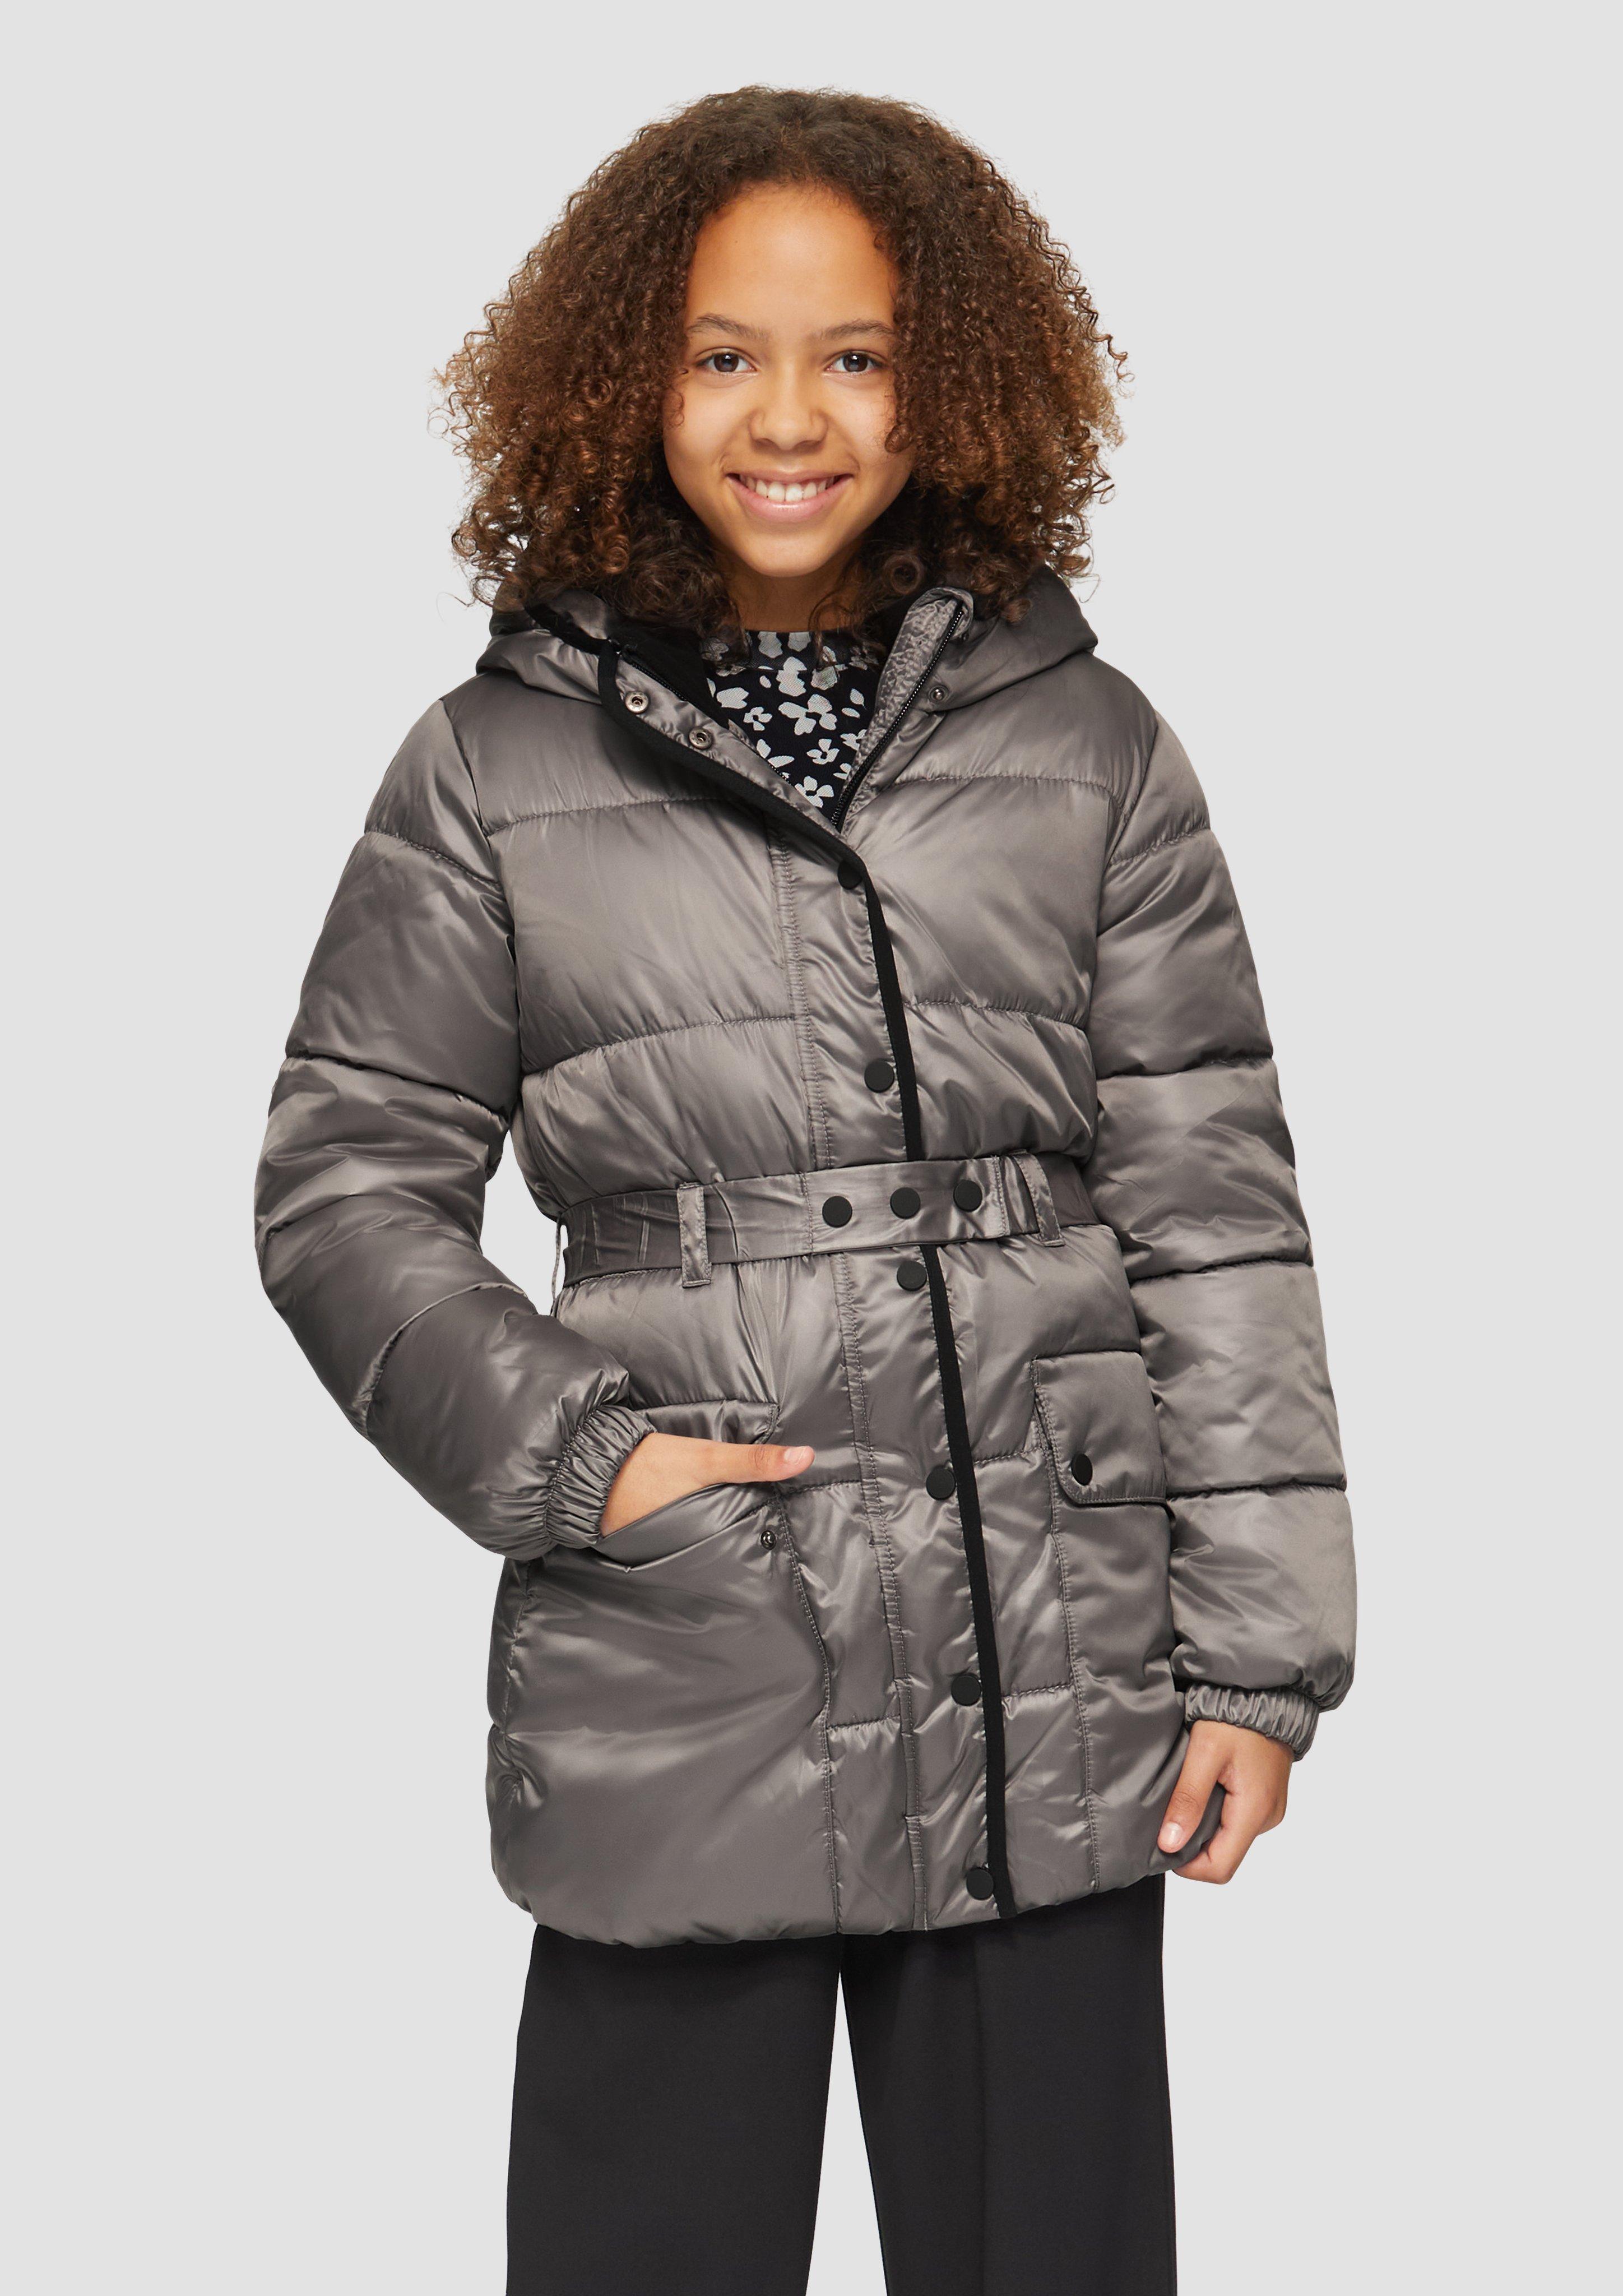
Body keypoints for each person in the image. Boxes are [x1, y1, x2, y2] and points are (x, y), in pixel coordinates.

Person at [255, 85, 1355, 2296]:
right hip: (692, 1643)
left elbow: (1213, 1208)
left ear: (953, 383)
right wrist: (595, 1465)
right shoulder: (492, 764)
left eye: (855, 355)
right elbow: (345, 1189)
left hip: (1048, 1653)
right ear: (622, 382)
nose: (790, 416)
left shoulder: (1092, 743)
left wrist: (1260, 1656)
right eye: (721, 355)